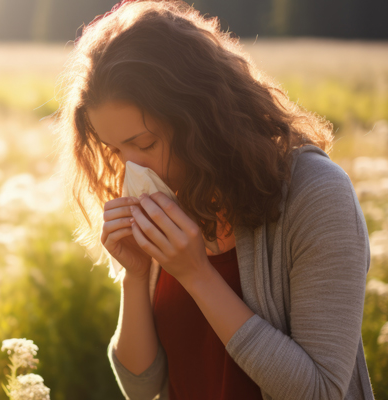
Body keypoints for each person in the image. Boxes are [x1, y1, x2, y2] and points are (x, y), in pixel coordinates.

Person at [51, 1, 376, 399]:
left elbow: (320, 392)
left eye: (145, 143)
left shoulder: (317, 195)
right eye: (117, 151)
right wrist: (135, 277)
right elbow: (141, 387)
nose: (131, 170)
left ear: (200, 117)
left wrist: (197, 276)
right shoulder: (171, 197)